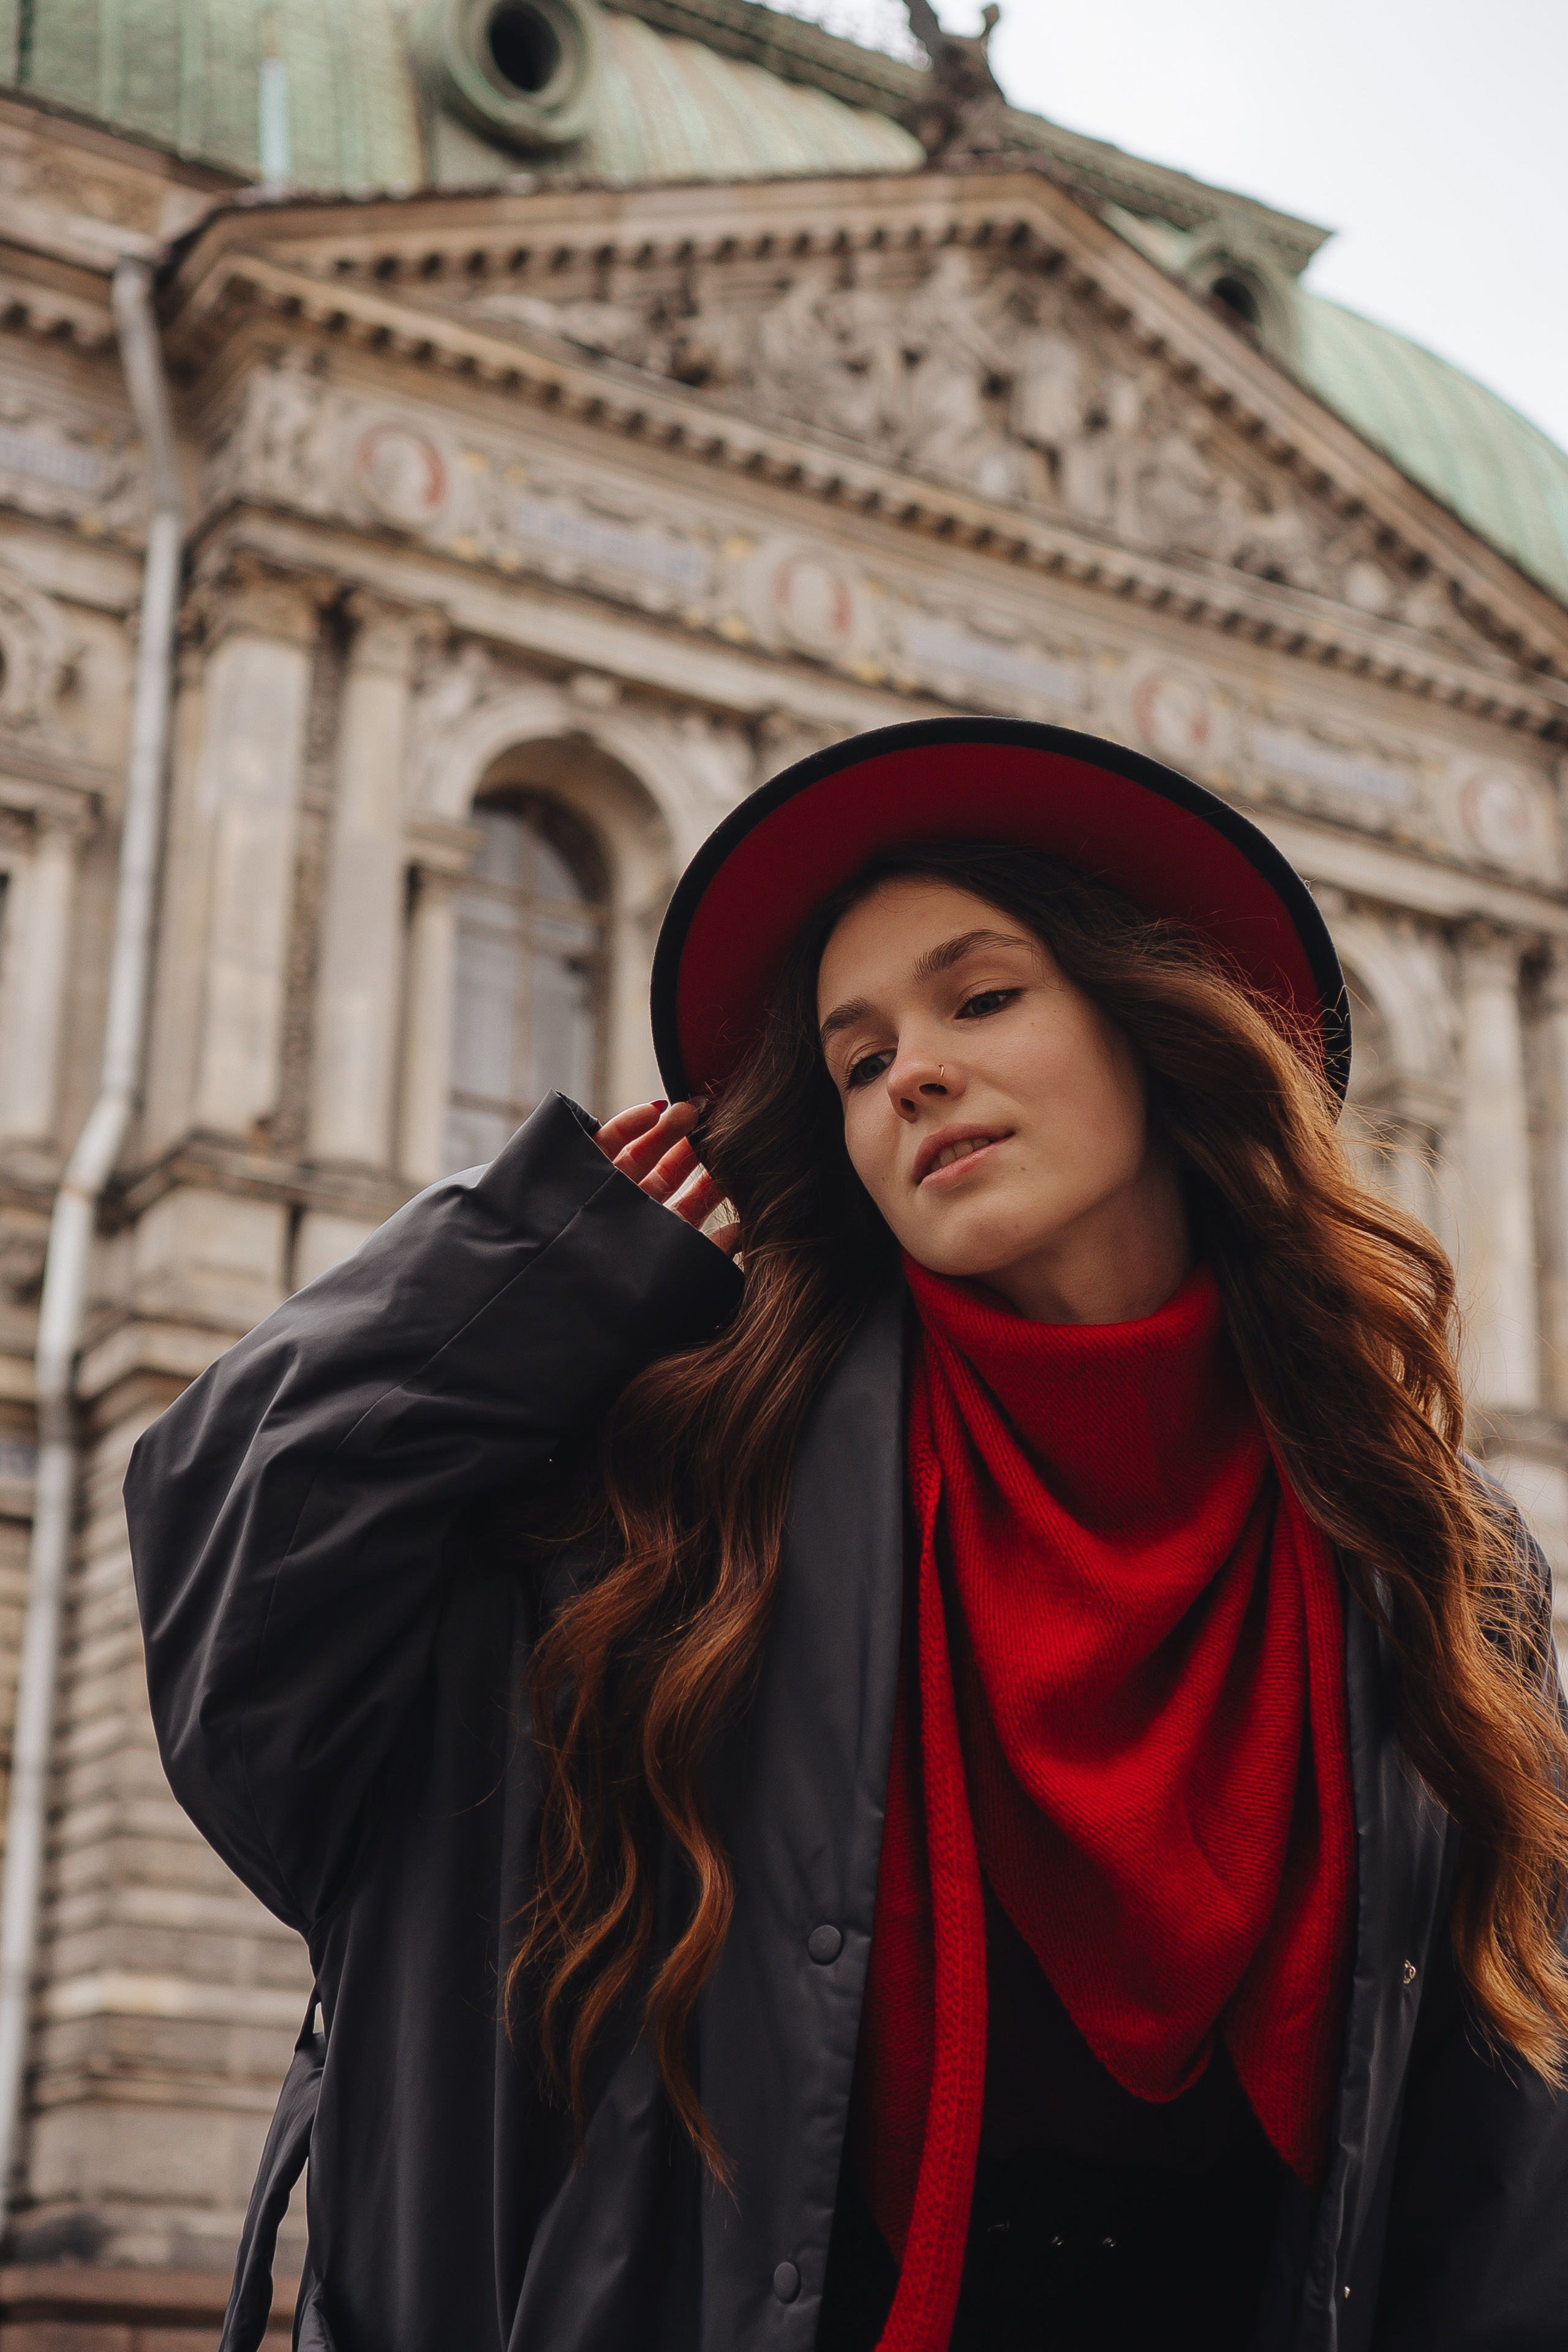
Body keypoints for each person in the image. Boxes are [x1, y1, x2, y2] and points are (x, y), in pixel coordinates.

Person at [126, 717, 1568, 2352]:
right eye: (858, 1059)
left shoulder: (1428, 1557)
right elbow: (246, 1621)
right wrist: (547, 1266)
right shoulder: (683, 1499)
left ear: (1154, 1028)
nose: (915, 1074)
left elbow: (1503, 2145)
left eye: (982, 997)